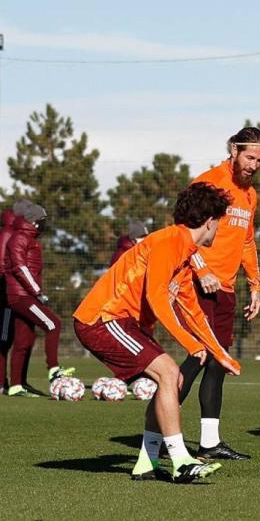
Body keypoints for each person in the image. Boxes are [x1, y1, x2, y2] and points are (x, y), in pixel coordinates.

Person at [74, 182, 239, 482]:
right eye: (219, 222)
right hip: (102, 319)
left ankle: (147, 462)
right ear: (209, 221)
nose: (219, 229)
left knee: (173, 379)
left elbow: (194, 313)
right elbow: (157, 296)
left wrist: (220, 354)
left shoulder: (185, 254)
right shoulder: (169, 241)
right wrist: (189, 343)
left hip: (122, 323)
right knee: (168, 372)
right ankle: (181, 461)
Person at [178, 127, 260, 461]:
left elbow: (247, 242)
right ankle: (155, 437)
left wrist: (255, 285)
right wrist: (202, 269)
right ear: (234, 150)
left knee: (218, 363)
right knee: (199, 356)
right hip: (196, 284)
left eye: (259, 160)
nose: (254, 165)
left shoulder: (250, 195)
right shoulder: (208, 182)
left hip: (226, 289)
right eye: (249, 157)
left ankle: (209, 443)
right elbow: (183, 232)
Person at [4, 202, 74, 397]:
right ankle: (54, 369)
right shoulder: (19, 238)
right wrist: (37, 292)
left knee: (23, 341)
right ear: (34, 222)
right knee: (53, 324)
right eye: (43, 221)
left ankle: (16, 386)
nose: (44, 225)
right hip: (22, 296)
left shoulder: (27, 238)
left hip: (24, 295)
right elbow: (20, 267)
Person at [0, 199, 31, 394]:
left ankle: (19, 382)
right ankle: (2, 383)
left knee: (22, 339)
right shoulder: (8, 233)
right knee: (4, 338)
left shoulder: (17, 233)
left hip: (15, 294)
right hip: (5, 296)